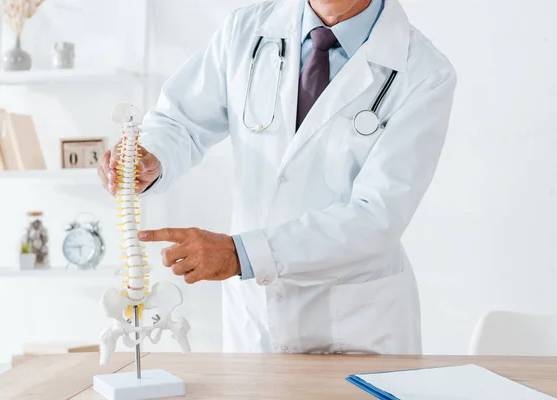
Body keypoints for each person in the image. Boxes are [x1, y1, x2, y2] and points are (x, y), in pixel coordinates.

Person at [98, 0, 457, 355]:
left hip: (356, 318)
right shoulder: (246, 30)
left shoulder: (423, 71)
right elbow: (180, 121)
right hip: (255, 314)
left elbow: (377, 214)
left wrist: (241, 254)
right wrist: (151, 156)